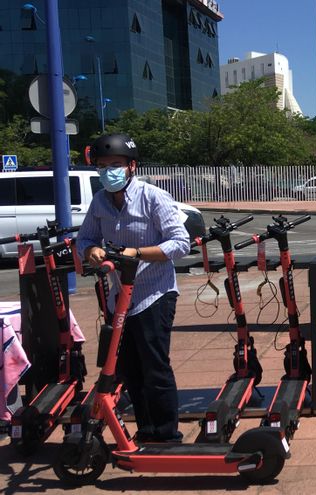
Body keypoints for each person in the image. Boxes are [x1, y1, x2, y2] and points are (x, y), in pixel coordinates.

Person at [77, 133, 190, 443]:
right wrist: (90, 251)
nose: (108, 171)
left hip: (154, 293)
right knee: (129, 369)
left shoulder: (153, 197)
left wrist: (137, 253)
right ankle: (146, 431)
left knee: (154, 365)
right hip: (119, 299)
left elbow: (180, 243)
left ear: (131, 167)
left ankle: (167, 434)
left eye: (115, 165)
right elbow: (84, 237)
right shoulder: (100, 201)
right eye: (102, 166)